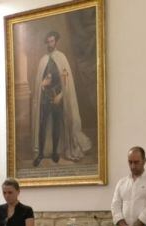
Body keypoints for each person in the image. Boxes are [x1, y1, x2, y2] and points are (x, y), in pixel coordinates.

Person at [30, 31, 92, 167]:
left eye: (52, 41)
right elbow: (39, 83)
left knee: (57, 125)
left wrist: (61, 95)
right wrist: (42, 85)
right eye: (48, 41)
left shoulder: (62, 58)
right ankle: (40, 153)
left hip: (58, 96)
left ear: (56, 42)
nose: (50, 44)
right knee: (43, 125)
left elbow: (66, 81)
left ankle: (55, 153)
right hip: (45, 98)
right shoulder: (43, 60)